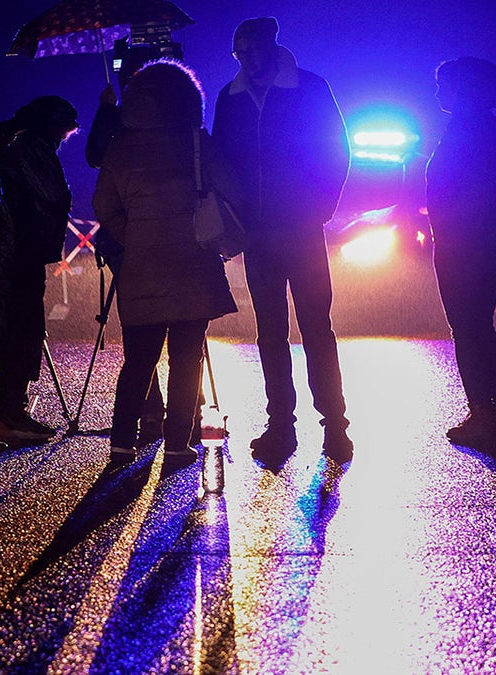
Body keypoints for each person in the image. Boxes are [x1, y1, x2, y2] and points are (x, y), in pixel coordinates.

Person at [211, 17, 353, 462]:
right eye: (239, 53)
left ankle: (334, 425)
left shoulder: (308, 87)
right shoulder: (230, 99)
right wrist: (234, 221)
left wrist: (320, 207)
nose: (245, 58)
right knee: (270, 332)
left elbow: (336, 149)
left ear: (271, 47)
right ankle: (282, 426)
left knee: (315, 327)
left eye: (250, 50)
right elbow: (221, 163)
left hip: (300, 227)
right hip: (258, 233)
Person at [92, 59, 240, 463]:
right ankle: (178, 443)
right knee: (186, 357)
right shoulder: (195, 141)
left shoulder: (120, 145)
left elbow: (102, 203)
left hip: (141, 267)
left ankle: (122, 441)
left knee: (138, 359)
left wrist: (134, 236)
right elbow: (230, 188)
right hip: (193, 263)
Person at [0, 96, 79, 445]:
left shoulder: (12, 144)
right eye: (65, 132)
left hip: (2, 255)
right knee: (18, 332)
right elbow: (54, 196)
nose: (64, 139)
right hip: (15, 256)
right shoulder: (32, 149)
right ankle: (6, 411)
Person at [426, 57, 496, 445]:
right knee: (475, 326)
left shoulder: (471, 128)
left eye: (443, 84)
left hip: (466, 242)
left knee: (469, 327)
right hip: (471, 238)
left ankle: (486, 412)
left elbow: (489, 188)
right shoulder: (476, 126)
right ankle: (495, 411)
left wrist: (457, 228)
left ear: (463, 88)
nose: (437, 92)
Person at [85, 42, 168, 446]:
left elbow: (95, 158)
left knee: (142, 329)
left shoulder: (128, 119)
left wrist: (107, 110)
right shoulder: (167, 115)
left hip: (128, 237)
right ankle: (163, 414)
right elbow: (95, 156)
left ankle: (150, 416)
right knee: (167, 329)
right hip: (144, 236)